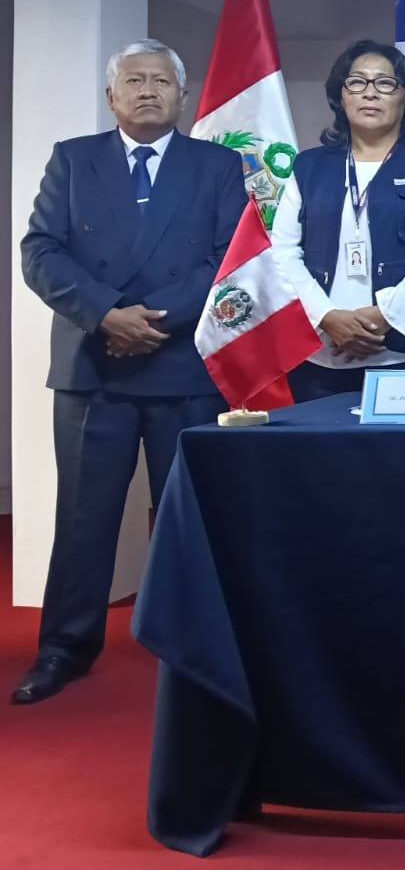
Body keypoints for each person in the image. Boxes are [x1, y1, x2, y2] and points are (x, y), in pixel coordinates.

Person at [15, 40, 246, 704]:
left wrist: (150, 322)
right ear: (111, 96)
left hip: (182, 366)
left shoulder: (217, 165)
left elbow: (230, 259)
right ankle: (63, 649)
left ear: (183, 97)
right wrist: (107, 314)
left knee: (190, 517)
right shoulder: (73, 159)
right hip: (94, 367)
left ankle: (197, 647)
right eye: (135, 80)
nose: (148, 91)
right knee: (83, 518)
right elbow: (40, 251)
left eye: (162, 81)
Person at [271, 40, 405, 400]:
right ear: (341, 96)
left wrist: (385, 316)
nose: (370, 93)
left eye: (385, 83)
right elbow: (282, 252)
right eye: (357, 82)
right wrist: (327, 316)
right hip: (322, 356)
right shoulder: (309, 166)